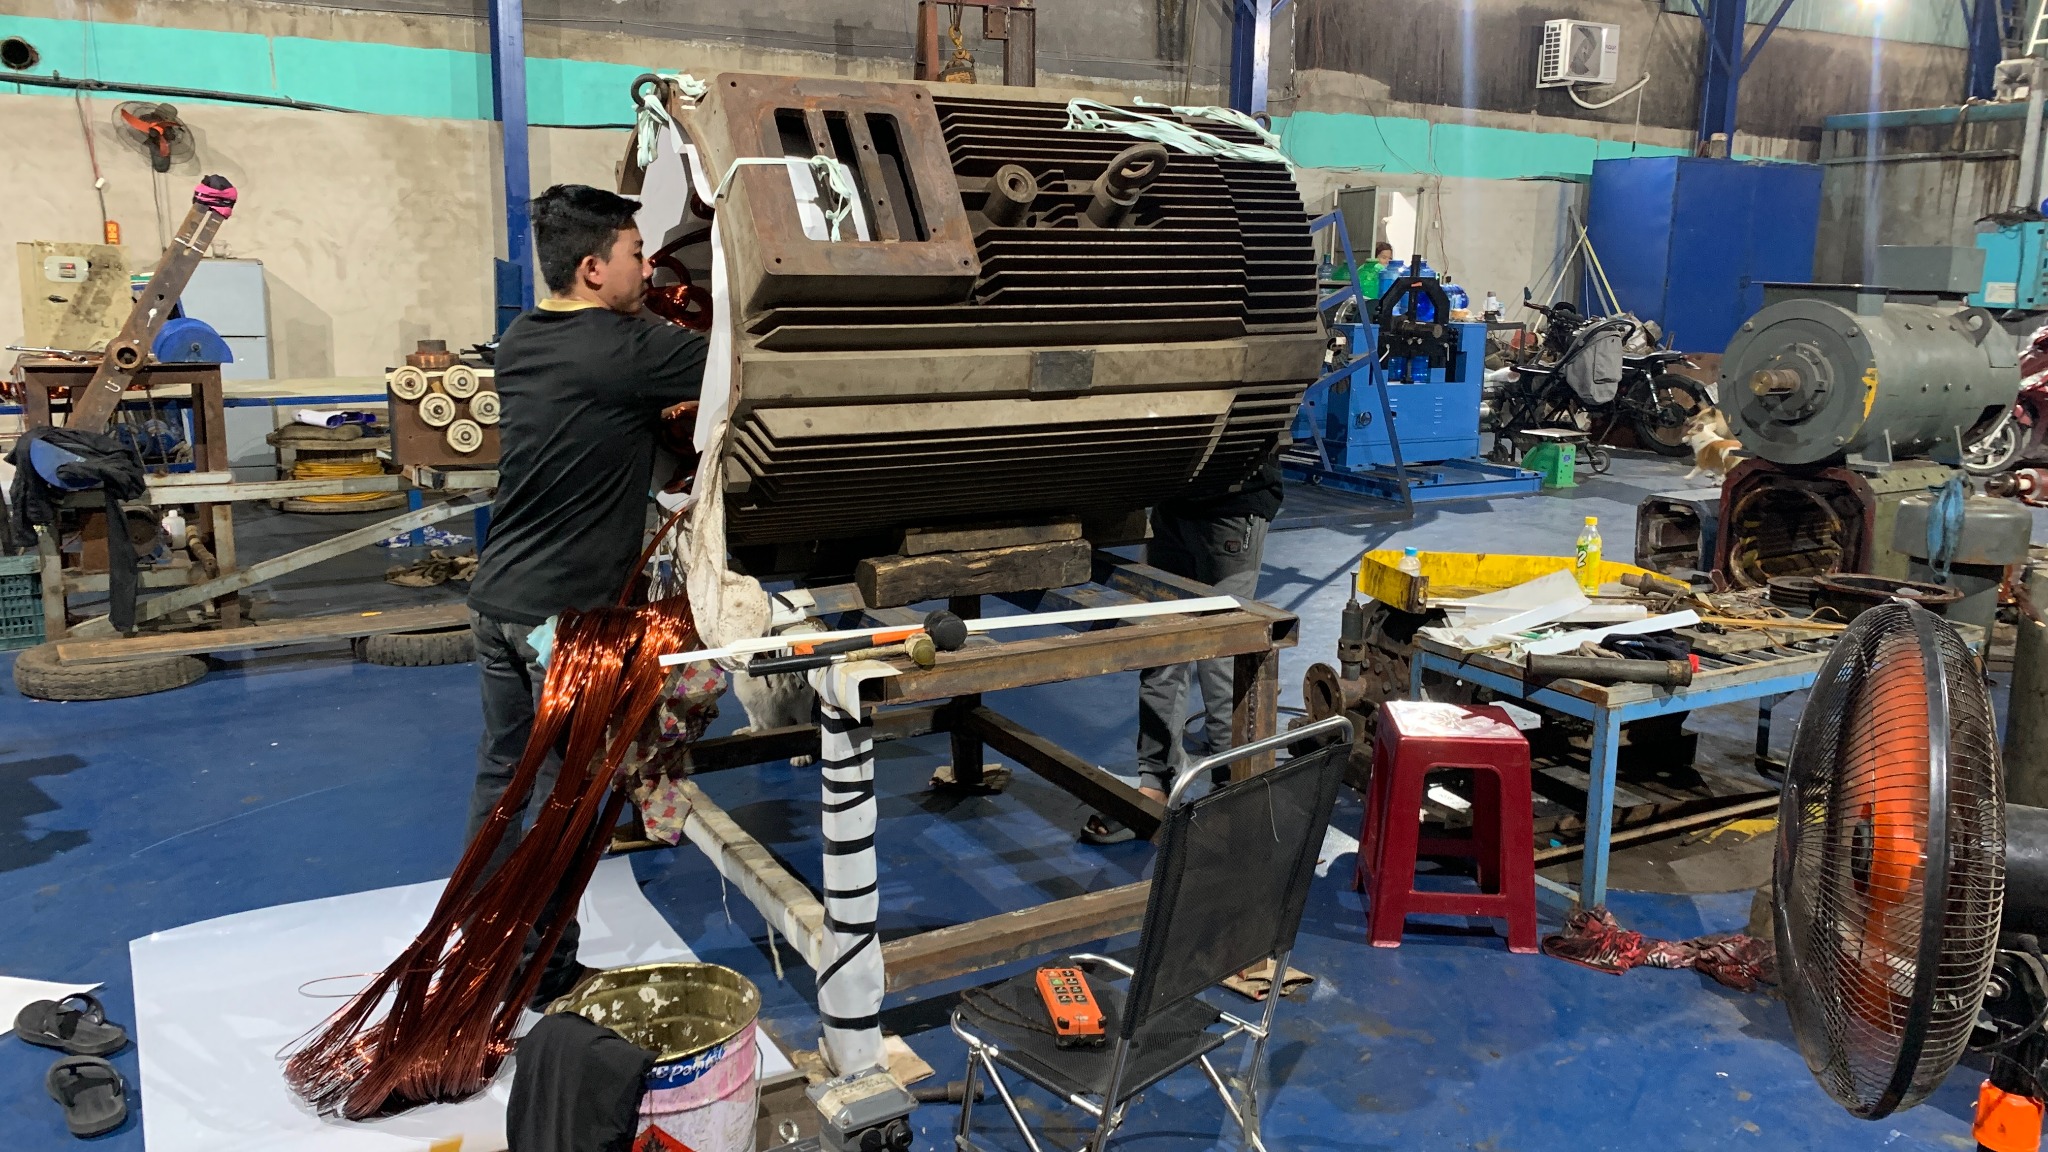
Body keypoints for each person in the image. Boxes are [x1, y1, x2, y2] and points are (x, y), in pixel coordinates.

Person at [464, 184, 708, 1005]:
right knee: (563, 799)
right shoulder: (626, 350)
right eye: (637, 255)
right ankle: (540, 973)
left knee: (503, 783)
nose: (649, 270)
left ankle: (490, 954)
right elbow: (747, 364)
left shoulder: (522, 338)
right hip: (559, 627)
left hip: (497, 603)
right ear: (595, 268)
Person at [1081, 451, 1283, 843]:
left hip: (1231, 504)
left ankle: (1229, 788)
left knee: (1220, 654)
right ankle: (1156, 781)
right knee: (1162, 649)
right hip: (1172, 499)